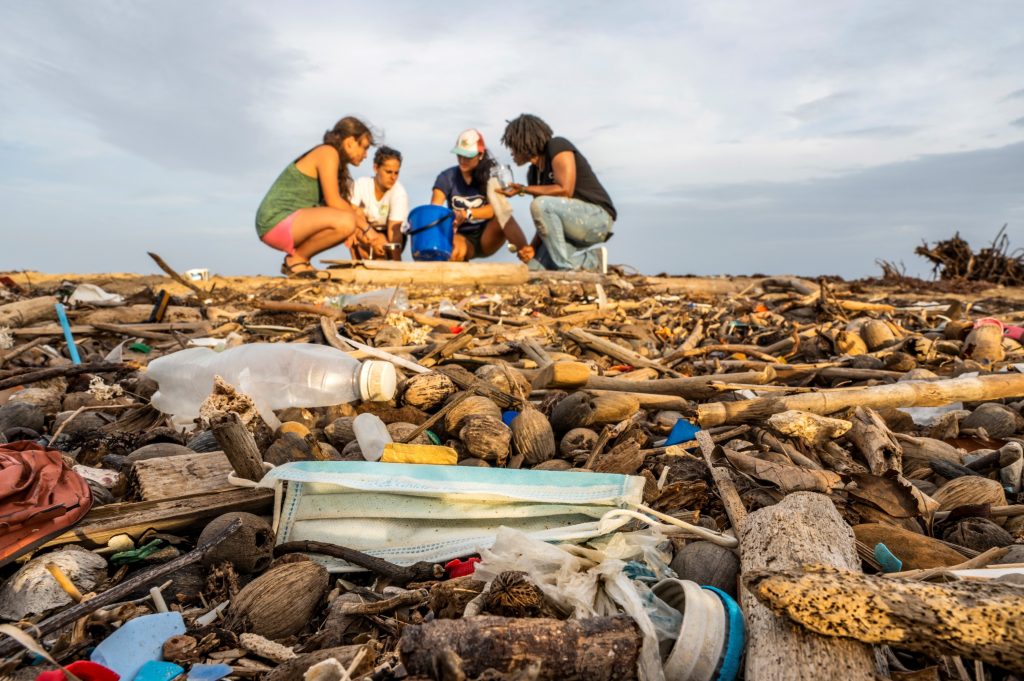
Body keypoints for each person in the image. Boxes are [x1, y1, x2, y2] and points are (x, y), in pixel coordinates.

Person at [255, 116, 387, 277]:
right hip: (275, 220)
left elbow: (340, 206)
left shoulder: (335, 161)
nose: (366, 155)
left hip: (285, 223)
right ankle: (297, 260)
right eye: (364, 148)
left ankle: (300, 260)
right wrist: (369, 231)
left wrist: (362, 234)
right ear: (350, 141)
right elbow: (333, 201)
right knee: (347, 221)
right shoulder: (327, 152)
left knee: (353, 216)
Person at [499, 114, 616, 272]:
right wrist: (532, 248)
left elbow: (564, 190)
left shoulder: (557, 146)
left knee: (540, 204)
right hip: (569, 230)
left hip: (597, 219)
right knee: (534, 271)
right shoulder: (533, 174)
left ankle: (565, 271)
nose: (511, 152)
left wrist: (522, 189)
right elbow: (545, 220)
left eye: (513, 146)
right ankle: (593, 261)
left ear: (524, 142)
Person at [431, 129, 533, 263]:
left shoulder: (491, 176)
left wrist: (468, 213)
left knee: (504, 216)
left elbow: (495, 210)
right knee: (454, 251)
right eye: (459, 155)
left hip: (487, 236)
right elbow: (434, 210)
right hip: (461, 236)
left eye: (467, 156)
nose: (462, 160)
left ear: (480, 155)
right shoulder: (446, 178)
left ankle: (527, 256)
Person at [349, 146, 409, 261]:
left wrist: (397, 264)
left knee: (381, 246)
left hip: (389, 233)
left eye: (396, 173)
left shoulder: (399, 192)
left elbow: (394, 231)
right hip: (365, 230)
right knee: (355, 214)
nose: (393, 177)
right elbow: (350, 214)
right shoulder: (361, 184)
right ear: (376, 168)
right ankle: (357, 263)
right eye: (388, 172)